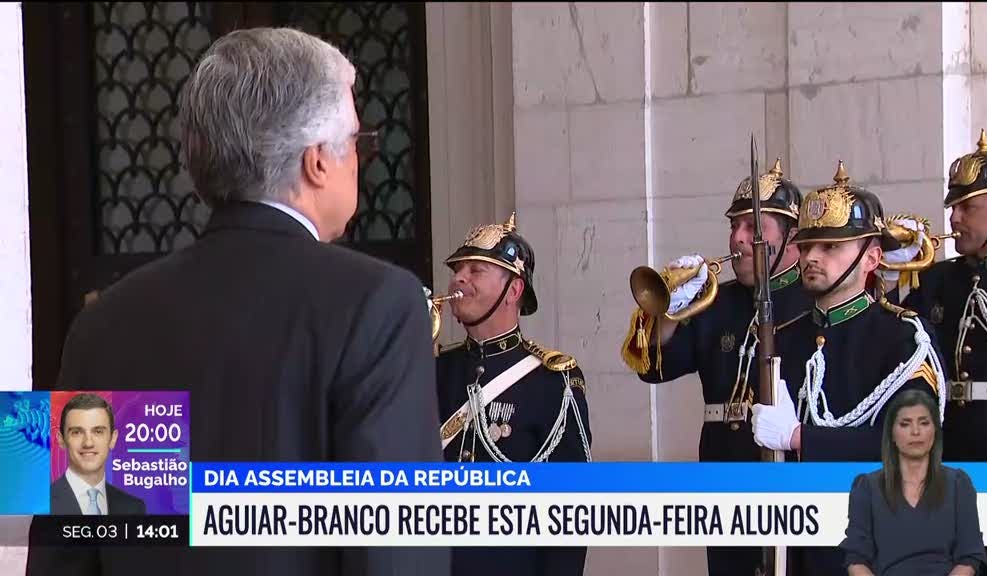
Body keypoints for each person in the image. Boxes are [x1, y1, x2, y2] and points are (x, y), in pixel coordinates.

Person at [27, 28, 447, 576]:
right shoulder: (380, 306)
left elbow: (65, 556)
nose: (361, 161)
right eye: (360, 144)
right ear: (318, 161)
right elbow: (396, 552)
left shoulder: (101, 325)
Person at [750, 161, 946, 575]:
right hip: (801, 543)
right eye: (806, 247)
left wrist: (802, 437)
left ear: (872, 256)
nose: (811, 258)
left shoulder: (904, 338)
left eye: (830, 247)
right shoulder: (786, 339)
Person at [620, 159, 810, 576]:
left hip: (793, 481)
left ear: (792, 240)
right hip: (723, 475)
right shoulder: (717, 302)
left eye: (751, 228)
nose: (738, 239)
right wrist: (670, 309)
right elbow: (653, 368)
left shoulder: (814, 302)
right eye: (734, 226)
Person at [895, 129, 987, 575]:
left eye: (968, 206)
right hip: (948, 459)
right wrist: (895, 268)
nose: (953, 219)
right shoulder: (936, 279)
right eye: (953, 206)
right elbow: (891, 336)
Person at [436, 213, 592, 576]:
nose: (459, 278)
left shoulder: (553, 381)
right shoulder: (433, 369)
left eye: (476, 270)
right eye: (458, 269)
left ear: (514, 290)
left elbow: (570, 513)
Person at [840, 389, 987, 575]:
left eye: (924, 423)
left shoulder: (958, 484)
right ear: (892, 434)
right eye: (905, 424)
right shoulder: (867, 487)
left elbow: (969, 557)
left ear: (935, 431)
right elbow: (856, 560)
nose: (916, 432)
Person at [50, 393, 146, 516]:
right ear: (61, 439)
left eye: (98, 431)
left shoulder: (134, 508)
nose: (88, 443)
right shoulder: (41, 505)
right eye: (77, 432)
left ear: (113, 439)